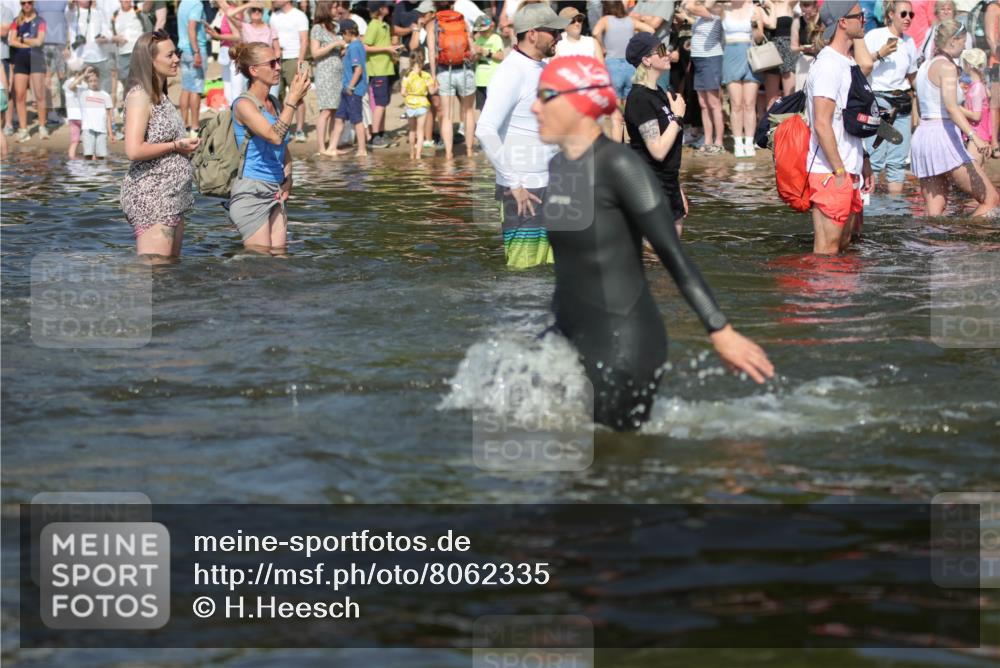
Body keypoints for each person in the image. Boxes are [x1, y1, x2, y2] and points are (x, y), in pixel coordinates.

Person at [531, 55, 774, 430]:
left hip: (624, 347)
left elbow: (673, 255)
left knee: (608, 470)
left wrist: (720, 330)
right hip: (569, 339)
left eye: (545, 95)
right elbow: (572, 267)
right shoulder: (559, 167)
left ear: (580, 102)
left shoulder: (621, 167)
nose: (534, 107)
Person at [474, 2, 567, 269]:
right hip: (523, 190)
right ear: (533, 34)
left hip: (550, 186)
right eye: (553, 31)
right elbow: (485, 129)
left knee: (550, 273)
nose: (559, 36)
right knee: (522, 277)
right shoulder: (511, 71)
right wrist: (514, 184)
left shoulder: (542, 69)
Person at [121, 30, 200, 258]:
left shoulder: (161, 97)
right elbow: (134, 150)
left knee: (170, 274)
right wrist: (176, 146)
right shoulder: (140, 96)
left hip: (173, 196)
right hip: (152, 196)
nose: (176, 59)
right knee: (155, 274)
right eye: (170, 55)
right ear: (150, 60)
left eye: (177, 53)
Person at [227, 40, 311, 253]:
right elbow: (274, 136)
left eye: (279, 61)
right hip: (251, 192)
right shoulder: (243, 105)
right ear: (254, 70)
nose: (279, 67)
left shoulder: (274, 102)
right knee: (260, 263)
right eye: (272, 63)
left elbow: (283, 147)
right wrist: (292, 99)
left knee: (280, 262)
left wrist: (288, 179)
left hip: (275, 189)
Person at [805, 1, 875, 255]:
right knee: (827, 250)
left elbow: (850, 119)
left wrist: (863, 159)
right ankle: (818, 295)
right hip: (830, 170)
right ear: (843, 22)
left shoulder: (846, 62)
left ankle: (837, 294)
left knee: (844, 245)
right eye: (859, 15)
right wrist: (839, 171)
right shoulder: (828, 65)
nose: (864, 19)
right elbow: (822, 124)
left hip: (848, 166)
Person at [911, 20, 998, 216]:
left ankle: (929, 246)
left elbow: (919, 102)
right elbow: (951, 107)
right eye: (963, 42)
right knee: (991, 200)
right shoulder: (947, 68)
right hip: (942, 137)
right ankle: (968, 243)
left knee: (934, 213)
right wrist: (974, 136)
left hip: (923, 137)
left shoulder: (925, 66)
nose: (964, 47)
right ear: (953, 41)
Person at [624, 33, 688, 236]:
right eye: (661, 50)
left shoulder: (660, 93)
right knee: (653, 258)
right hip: (649, 186)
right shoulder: (640, 99)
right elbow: (658, 150)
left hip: (667, 182)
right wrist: (677, 117)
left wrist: (677, 188)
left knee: (670, 258)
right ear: (646, 60)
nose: (667, 53)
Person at [864, 0, 919, 195]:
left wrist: (923, 103)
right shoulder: (874, 36)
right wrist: (880, 53)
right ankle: (868, 212)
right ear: (890, 15)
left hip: (902, 101)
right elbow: (860, 65)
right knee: (875, 159)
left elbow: (913, 76)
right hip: (879, 100)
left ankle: (894, 214)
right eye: (903, 14)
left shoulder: (910, 42)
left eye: (910, 15)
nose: (907, 19)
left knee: (897, 162)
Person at [713, 0, 768, 157]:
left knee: (749, 104)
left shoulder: (755, 9)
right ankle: (738, 142)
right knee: (736, 104)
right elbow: (708, 6)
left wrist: (755, 24)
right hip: (731, 54)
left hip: (750, 55)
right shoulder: (725, 8)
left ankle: (749, 142)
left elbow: (758, 38)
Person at [592, 0, 653, 142]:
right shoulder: (630, 20)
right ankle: (630, 143)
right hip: (630, 66)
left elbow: (595, 32)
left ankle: (618, 147)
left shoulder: (605, 19)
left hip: (613, 65)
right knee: (629, 111)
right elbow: (650, 30)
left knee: (615, 116)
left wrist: (602, 47)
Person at [427, 0, 476, 159]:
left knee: (447, 115)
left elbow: (432, 55)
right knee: (468, 112)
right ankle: (469, 151)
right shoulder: (462, 21)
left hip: (444, 71)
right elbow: (472, 49)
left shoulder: (432, 25)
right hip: (464, 69)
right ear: (452, 5)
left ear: (435, 6)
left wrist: (433, 77)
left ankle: (448, 155)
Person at [684, 0, 724, 153]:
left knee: (714, 103)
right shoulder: (701, 16)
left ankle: (718, 141)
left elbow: (689, 6)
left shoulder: (716, 10)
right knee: (703, 104)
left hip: (711, 59)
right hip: (698, 59)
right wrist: (691, 43)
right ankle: (707, 140)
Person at [325, 18, 368, 156]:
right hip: (346, 89)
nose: (342, 37)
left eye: (343, 34)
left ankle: (362, 150)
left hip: (353, 90)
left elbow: (358, 69)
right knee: (339, 118)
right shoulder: (356, 46)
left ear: (349, 32)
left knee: (357, 120)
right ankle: (332, 147)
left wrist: (350, 86)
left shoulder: (355, 47)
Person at [270, 0, 309, 142]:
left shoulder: (300, 15)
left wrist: (301, 62)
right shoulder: (274, 16)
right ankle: (281, 128)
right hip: (278, 59)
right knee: (276, 96)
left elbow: (304, 40)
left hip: (295, 58)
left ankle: (299, 130)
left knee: (298, 94)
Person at [8, 0, 47, 142]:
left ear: (33, 3)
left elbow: (39, 42)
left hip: (37, 60)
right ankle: (24, 129)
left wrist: (22, 40)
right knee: (19, 95)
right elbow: (12, 41)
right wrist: (29, 42)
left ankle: (42, 126)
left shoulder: (40, 20)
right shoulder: (16, 21)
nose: (26, 5)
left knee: (39, 95)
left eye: (29, 2)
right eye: (23, 3)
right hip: (20, 60)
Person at [364, 0, 401, 149]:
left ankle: (381, 132)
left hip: (386, 69)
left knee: (383, 103)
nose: (389, 8)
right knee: (379, 104)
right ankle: (374, 136)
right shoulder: (374, 25)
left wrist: (392, 48)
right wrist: (387, 48)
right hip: (378, 70)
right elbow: (365, 46)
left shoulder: (384, 24)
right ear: (380, 9)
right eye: (386, 6)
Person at [310, 0, 345, 153]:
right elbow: (315, 53)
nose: (338, 9)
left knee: (335, 110)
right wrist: (333, 45)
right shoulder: (317, 28)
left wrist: (342, 49)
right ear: (326, 8)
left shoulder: (335, 26)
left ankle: (332, 146)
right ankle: (321, 148)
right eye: (335, 6)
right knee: (325, 110)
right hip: (325, 73)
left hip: (337, 73)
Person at [204, 0, 246, 106]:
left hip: (234, 52)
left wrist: (217, 36)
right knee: (228, 86)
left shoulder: (231, 11)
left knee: (236, 89)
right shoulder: (223, 11)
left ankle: (237, 112)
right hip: (227, 52)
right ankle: (231, 111)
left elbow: (237, 36)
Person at [176, 0, 207, 137]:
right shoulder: (197, 4)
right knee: (196, 89)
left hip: (182, 49)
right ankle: (194, 127)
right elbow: (191, 27)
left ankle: (183, 126)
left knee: (186, 87)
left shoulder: (183, 3)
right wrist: (196, 52)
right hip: (193, 50)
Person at [37, 0, 67, 126]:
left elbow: (68, 21)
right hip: (43, 45)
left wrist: (68, 44)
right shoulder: (37, 2)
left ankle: (61, 111)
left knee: (62, 78)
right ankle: (50, 114)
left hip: (61, 44)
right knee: (48, 79)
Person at [402, 48, 436, 157]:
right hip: (422, 103)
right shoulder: (426, 75)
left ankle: (412, 154)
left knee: (412, 131)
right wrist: (436, 87)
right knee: (420, 131)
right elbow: (431, 91)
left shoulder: (407, 75)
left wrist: (409, 96)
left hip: (410, 104)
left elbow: (403, 92)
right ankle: (418, 155)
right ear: (423, 60)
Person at [961, 47, 991, 166]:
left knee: (974, 173)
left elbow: (977, 116)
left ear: (968, 65)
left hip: (978, 134)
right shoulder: (976, 86)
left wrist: (957, 109)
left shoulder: (977, 88)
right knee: (978, 173)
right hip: (979, 133)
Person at [76, 66, 112, 158]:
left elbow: (109, 116)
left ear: (99, 80)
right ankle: (89, 172)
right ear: (87, 82)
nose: (93, 83)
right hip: (88, 128)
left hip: (102, 130)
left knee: (101, 157)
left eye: (95, 80)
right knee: (88, 155)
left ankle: (100, 172)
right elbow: (71, 86)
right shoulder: (83, 93)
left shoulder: (105, 95)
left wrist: (111, 133)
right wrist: (84, 75)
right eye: (90, 81)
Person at [473, 15, 504, 109]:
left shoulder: (496, 38)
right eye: (480, 31)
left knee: (494, 107)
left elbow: (500, 56)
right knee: (482, 108)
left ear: (491, 27)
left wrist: (485, 52)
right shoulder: (478, 40)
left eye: (484, 30)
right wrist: (477, 54)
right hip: (480, 80)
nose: (482, 32)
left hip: (492, 80)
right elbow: (474, 59)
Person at [63, 65, 94, 158]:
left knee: (74, 141)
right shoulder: (81, 85)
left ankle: (72, 163)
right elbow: (72, 87)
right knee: (89, 141)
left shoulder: (67, 82)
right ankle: (93, 161)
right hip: (81, 118)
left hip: (73, 118)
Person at [792, 0, 822, 91]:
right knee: (801, 91)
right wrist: (803, 48)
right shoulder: (798, 21)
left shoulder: (823, 19)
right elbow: (793, 47)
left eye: (807, 6)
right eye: (802, 7)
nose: (804, 12)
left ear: (815, 5)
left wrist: (818, 46)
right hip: (805, 61)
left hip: (822, 60)